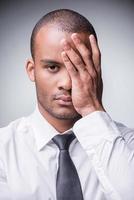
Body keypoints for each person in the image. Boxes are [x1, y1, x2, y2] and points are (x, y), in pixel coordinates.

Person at [0, 9, 134, 200]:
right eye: (52, 67)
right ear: (32, 70)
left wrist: (91, 109)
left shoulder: (127, 144)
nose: (67, 83)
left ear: (95, 71)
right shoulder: (3, 151)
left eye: (80, 66)